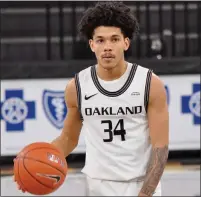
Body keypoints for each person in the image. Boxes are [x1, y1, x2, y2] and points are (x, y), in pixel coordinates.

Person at [15, 2, 169, 196]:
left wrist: (146, 193)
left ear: (126, 43)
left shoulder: (150, 84)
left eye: (114, 39)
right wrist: (29, 167)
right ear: (92, 44)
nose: (107, 47)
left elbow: (160, 147)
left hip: (141, 184)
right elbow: (68, 138)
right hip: (98, 186)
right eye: (101, 40)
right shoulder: (77, 87)